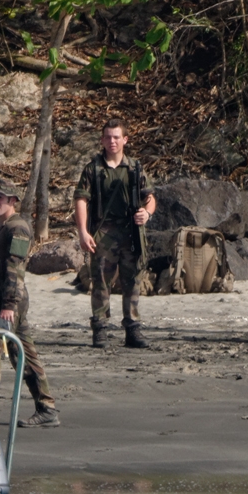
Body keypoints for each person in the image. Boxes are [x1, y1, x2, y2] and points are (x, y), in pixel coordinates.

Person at [0, 180, 60, 426]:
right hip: (1, 298)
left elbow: (14, 270)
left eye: (1, 198)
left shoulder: (17, 228)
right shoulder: (3, 226)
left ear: (12, 201)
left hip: (9, 301)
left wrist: (8, 304)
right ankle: (46, 408)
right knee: (24, 354)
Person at [72, 120, 157, 349]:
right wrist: (83, 232)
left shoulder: (135, 168)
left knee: (133, 281)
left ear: (125, 140)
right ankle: (99, 328)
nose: (112, 141)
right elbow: (81, 199)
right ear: (102, 140)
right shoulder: (93, 169)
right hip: (103, 231)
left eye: (117, 137)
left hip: (130, 232)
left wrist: (146, 214)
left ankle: (133, 328)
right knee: (100, 281)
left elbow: (149, 197)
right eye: (108, 137)